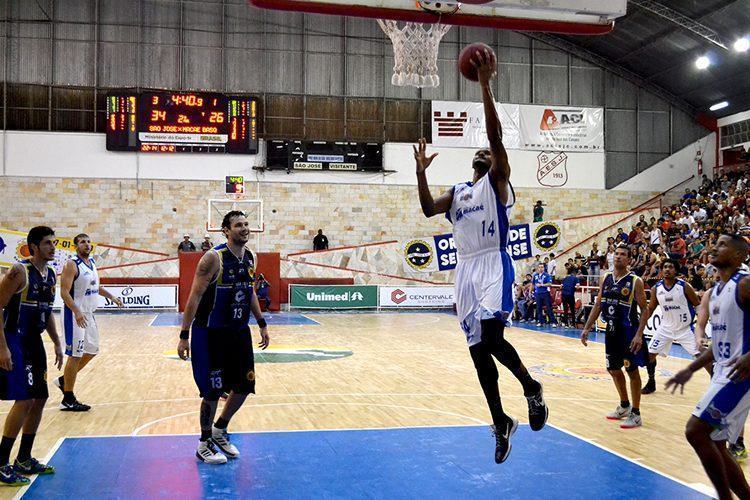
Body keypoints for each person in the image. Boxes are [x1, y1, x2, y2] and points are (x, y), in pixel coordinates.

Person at [413, 48, 547, 464]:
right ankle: (501, 421)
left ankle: (530, 387)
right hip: (464, 270)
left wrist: (485, 85)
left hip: (493, 262)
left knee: (491, 338)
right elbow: (426, 210)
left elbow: (495, 138)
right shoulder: (457, 191)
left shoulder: (498, 184)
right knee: (477, 354)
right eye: (482, 155)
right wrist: (420, 172)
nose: (484, 155)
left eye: (489, 155)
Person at [177, 211, 270, 464]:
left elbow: (248, 291)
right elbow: (194, 297)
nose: (244, 228)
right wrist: (184, 335)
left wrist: (261, 323)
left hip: (239, 332)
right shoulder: (213, 258)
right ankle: (204, 442)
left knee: (244, 386)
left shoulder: (251, 257)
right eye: (238, 225)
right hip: (210, 333)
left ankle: (220, 429)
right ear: (226, 231)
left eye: (246, 224)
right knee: (212, 391)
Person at [666, 234, 750, 500]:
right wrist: (690, 369)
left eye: (723, 244)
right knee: (715, 443)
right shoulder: (714, 293)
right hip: (723, 373)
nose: (714, 247)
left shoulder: (745, 285)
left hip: (741, 375)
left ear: (739, 256)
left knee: (696, 430)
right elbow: (718, 343)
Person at [0, 226, 63, 485]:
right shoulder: (18, 271)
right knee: (24, 400)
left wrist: (58, 342)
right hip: (14, 339)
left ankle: (24, 458)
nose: (53, 247)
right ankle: (1, 461)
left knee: (39, 398)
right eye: (48, 243)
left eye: (54, 243)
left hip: (34, 341)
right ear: (34, 247)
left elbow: (46, 311)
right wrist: (2, 347)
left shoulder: (49, 275)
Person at [580, 244, 649, 429]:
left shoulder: (636, 281)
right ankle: (624, 405)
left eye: (623, 254)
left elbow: (645, 309)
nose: (618, 257)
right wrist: (587, 328)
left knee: (631, 371)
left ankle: (636, 413)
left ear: (629, 259)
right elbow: (598, 305)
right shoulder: (606, 278)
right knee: (614, 370)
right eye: (616, 254)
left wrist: (639, 334)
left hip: (628, 334)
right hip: (611, 333)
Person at [55, 233, 124, 411]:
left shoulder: (91, 263)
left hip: (89, 314)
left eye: (88, 242)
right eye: (82, 242)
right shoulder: (72, 264)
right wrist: (76, 311)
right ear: (76, 246)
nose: (86, 244)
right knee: (76, 354)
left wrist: (112, 297)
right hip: (74, 314)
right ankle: (68, 398)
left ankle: (65, 380)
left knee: (92, 349)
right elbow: (64, 292)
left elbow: (95, 286)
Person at [639, 259, 702, 395]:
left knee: (702, 356)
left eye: (670, 267)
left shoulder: (684, 286)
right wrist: (640, 326)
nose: (667, 269)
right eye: (665, 267)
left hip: (685, 329)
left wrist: (701, 326)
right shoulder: (656, 288)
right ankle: (651, 383)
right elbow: (650, 308)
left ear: (676, 270)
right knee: (649, 356)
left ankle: (716, 385)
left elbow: (698, 305)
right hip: (665, 329)